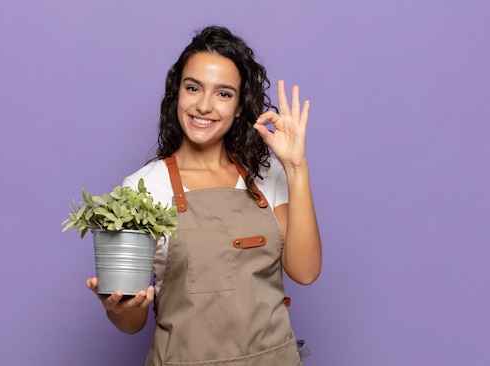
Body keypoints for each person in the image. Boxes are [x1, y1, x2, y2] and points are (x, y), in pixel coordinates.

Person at [85, 25, 322, 365]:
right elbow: (132, 323)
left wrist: (296, 167)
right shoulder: (143, 188)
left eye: (224, 94)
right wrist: (119, 307)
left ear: (240, 106)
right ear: (177, 93)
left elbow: (305, 271)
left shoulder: (267, 175)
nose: (204, 105)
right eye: (193, 88)